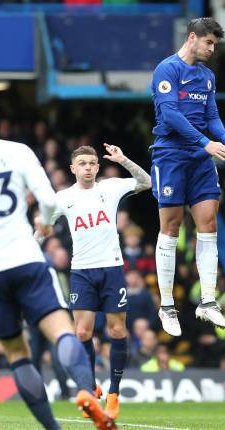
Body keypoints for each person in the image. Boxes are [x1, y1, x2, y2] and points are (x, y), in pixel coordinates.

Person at [0, 88, 115, 429]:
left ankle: (52, 428)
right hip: (25, 257)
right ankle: (87, 391)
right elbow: (47, 199)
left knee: (17, 353)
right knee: (62, 333)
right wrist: (44, 222)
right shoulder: (17, 151)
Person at [36, 143, 151, 420]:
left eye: (92, 163)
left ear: (97, 167)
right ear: (73, 168)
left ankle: (113, 393)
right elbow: (43, 228)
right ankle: (89, 388)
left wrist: (123, 159)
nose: (88, 167)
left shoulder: (110, 187)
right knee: (83, 334)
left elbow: (145, 182)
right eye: (82, 163)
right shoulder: (62, 198)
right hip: (82, 272)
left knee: (117, 332)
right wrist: (29, 253)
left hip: (111, 270)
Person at [150, 17, 225, 336]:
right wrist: (205, 142)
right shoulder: (167, 69)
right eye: (209, 43)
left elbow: (211, 115)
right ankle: (167, 306)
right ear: (192, 38)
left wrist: (224, 138)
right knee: (171, 227)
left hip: (202, 156)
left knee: (208, 223)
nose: (212, 49)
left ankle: (208, 301)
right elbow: (170, 115)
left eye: (215, 44)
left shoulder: (207, 76)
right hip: (170, 154)